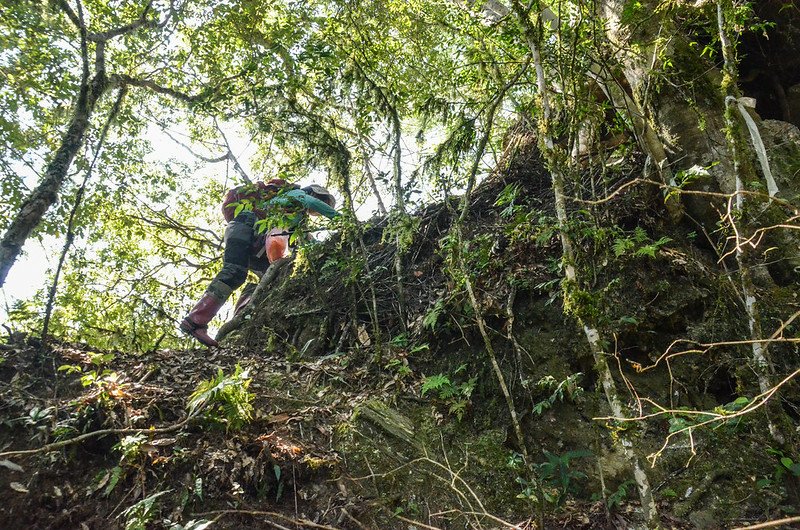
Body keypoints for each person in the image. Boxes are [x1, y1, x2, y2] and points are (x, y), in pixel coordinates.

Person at [180, 178, 338, 347]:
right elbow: (309, 201)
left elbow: (306, 242)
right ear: (313, 193)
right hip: (245, 226)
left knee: (270, 282)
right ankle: (195, 321)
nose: (318, 208)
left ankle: (241, 324)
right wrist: (342, 221)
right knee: (234, 272)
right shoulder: (296, 195)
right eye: (322, 201)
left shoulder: (296, 218)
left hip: (258, 249)